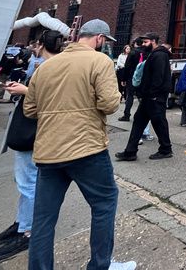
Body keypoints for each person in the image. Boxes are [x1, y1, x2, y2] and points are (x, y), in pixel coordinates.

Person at [23, 19, 136, 270]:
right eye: (104, 41)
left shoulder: (46, 66)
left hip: (48, 151)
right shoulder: (100, 61)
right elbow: (109, 104)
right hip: (87, 149)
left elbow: (29, 109)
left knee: (43, 219)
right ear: (98, 38)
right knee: (104, 203)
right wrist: (115, 93)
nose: (104, 45)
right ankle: (100, 265)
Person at [0, 29, 62, 262]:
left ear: (40, 45)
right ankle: (21, 224)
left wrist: (25, 91)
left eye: (36, 45)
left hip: (34, 133)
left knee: (29, 183)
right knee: (25, 182)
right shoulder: (44, 65)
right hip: (29, 131)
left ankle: (28, 231)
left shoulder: (53, 67)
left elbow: (55, 100)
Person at [116, 33, 173, 161]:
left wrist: (152, 94)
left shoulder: (159, 55)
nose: (143, 45)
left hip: (154, 97)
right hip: (149, 96)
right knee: (139, 121)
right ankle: (130, 151)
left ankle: (165, 149)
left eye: (146, 42)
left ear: (153, 41)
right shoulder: (153, 54)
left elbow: (158, 78)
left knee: (159, 122)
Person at [118, 38, 144, 122]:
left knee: (130, 96)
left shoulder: (132, 52)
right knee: (141, 97)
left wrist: (123, 79)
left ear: (135, 43)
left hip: (132, 76)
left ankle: (126, 115)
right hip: (142, 77)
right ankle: (141, 115)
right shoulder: (146, 52)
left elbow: (127, 66)